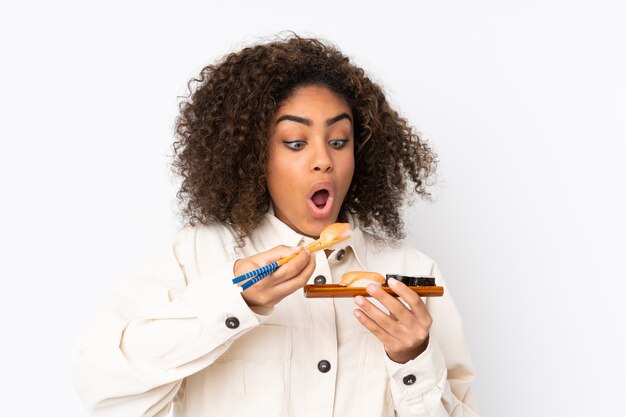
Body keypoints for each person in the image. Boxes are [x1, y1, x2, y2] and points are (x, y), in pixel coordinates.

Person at [71, 34, 479, 417]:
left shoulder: (414, 273)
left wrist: (413, 359)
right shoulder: (195, 257)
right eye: (296, 143)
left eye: (339, 141)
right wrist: (234, 304)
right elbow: (104, 386)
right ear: (254, 154)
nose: (324, 160)